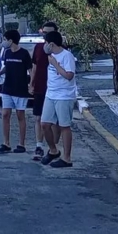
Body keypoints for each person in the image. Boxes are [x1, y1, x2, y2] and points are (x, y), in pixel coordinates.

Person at [40, 31, 77, 168]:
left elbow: (69, 76)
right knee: (44, 124)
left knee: (64, 126)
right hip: (51, 94)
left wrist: (55, 64)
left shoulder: (67, 56)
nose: (44, 46)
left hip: (64, 95)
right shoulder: (50, 56)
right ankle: (53, 150)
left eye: (45, 43)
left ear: (51, 44)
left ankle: (67, 158)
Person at [0, 30, 32, 154]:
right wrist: (0, 72)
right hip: (7, 88)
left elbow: (30, 70)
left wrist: (31, 85)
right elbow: (7, 65)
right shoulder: (7, 53)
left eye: (5, 39)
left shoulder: (24, 53)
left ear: (11, 40)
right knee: (5, 114)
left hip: (20, 89)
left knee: (20, 115)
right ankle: (6, 143)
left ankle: (21, 144)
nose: (4, 42)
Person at [30, 22, 59, 160]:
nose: (45, 36)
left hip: (55, 89)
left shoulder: (61, 50)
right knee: (38, 117)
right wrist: (31, 83)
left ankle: (53, 147)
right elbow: (34, 68)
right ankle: (39, 145)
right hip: (40, 87)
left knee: (54, 121)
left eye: (49, 33)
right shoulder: (38, 47)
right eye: (44, 33)